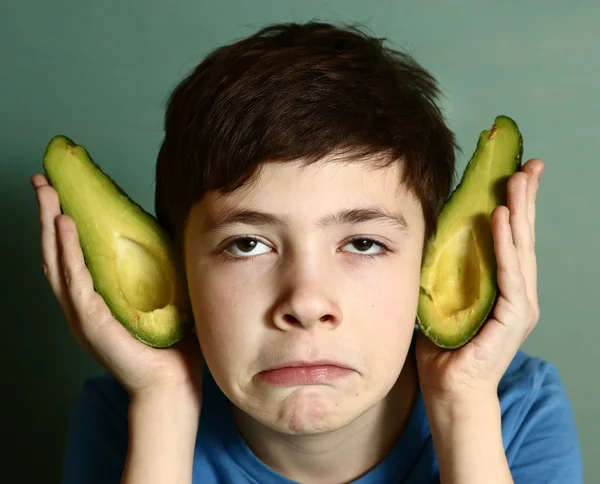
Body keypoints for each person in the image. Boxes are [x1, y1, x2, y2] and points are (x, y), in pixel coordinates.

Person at [31, 21, 583, 484]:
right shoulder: (126, 414)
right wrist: (162, 403)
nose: (307, 301)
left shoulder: (516, 410)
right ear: (177, 269)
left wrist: (463, 402)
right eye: (246, 244)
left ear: (430, 262)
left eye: (364, 243)